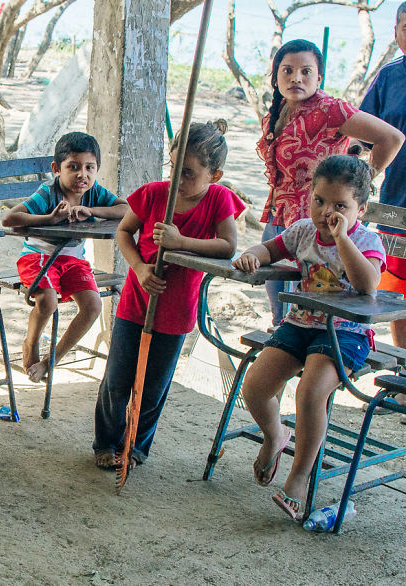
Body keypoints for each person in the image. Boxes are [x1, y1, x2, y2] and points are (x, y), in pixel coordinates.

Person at [232, 155, 384, 521]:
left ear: (359, 209)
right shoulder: (302, 231)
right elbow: (270, 249)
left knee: (310, 391)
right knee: (255, 385)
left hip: (345, 333)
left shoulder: (365, 239)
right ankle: (274, 436)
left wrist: (342, 237)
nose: (326, 212)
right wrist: (252, 254)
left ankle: (298, 479)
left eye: (340, 206)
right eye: (319, 200)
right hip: (300, 324)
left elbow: (368, 284)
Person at [93, 120, 244, 470]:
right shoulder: (152, 194)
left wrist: (180, 244)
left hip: (176, 312)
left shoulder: (219, 200)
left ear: (214, 175)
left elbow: (228, 247)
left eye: (188, 172)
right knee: (117, 380)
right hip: (136, 302)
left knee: (153, 386)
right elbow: (124, 232)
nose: (177, 178)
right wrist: (141, 269)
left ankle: (137, 445)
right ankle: (107, 441)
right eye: (173, 167)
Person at [256, 39, 403, 326]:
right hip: (279, 221)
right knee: (281, 319)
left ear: (319, 77)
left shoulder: (329, 109)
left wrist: (361, 181)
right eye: (287, 70)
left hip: (319, 226)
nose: (296, 77)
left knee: (310, 318)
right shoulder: (276, 112)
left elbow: (392, 138)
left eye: (306, 71)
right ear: (275, 77)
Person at [1, 132, 128, 382]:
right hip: (38, 256)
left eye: (90, 167)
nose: (83, 174)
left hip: (72, 261)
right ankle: (31, 342)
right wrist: (50, 219)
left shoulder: (93, 194)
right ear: (56, 169)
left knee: (93, 305)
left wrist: (91, 210)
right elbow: (10, 219)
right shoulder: (48, 193)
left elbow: (125, 209)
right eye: (73, 167)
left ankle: (53, 359)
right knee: (48, 301)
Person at [360, 2, 406, 418]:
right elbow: (363, 135)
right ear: (396, 32)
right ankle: (402, 382)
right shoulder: (390, 78)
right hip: (395, 207)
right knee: (394, 295)